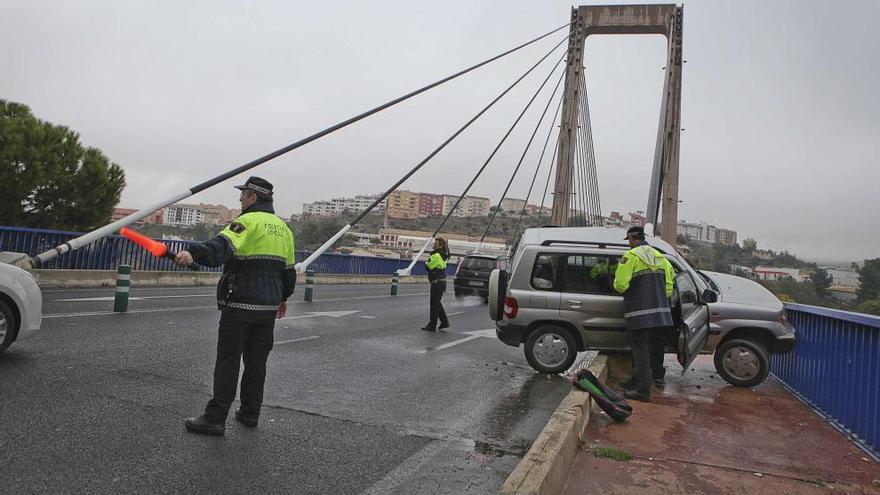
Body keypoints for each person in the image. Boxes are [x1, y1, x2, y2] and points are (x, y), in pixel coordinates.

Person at [174, 176, 296, 435]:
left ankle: (215, 418)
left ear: (253, 197)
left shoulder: (246, 222)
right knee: (257, 363)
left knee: (228, 360)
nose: (240, 199)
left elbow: (221, 247)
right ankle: (250, 414)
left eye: (243, 194)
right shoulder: (284, 229)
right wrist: (282, 299)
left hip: (241, 302)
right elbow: (288, 272)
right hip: (267, 309)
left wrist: (193, 253)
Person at [613, 226, 675, 402]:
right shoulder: (660, 257)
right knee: (651, 350)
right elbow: (669, 287)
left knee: (639, 352)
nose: (629, 244)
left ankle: (642, 391)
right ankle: (634, 381)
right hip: (661, 315)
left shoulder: (630, 257)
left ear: (632, 239)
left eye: (629, 241)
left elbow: (621, 285)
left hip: (639, 313)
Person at [421, 237, 450, 332]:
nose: (434, 244)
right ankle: (444, 322)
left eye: (436, 243)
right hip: (442, 281)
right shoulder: (444, 255)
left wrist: (426, 263)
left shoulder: (436, 255)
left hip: (436, 282)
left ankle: (432, 325)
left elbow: (428, 265)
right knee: (437, 303)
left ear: (440, 245)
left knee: (434, 304)